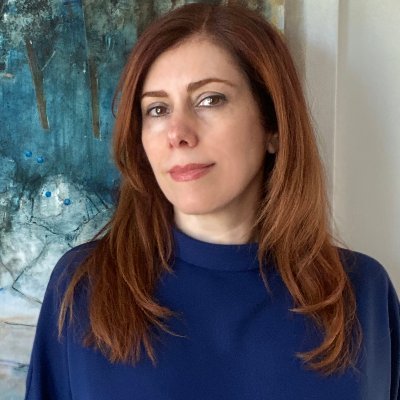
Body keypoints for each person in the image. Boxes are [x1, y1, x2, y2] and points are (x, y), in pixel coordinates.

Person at [25, 3, 400, 400]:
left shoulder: (361, 294)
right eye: (157, 109)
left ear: (273, 125)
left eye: (210, 99)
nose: (177, 133)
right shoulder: (85, 287)